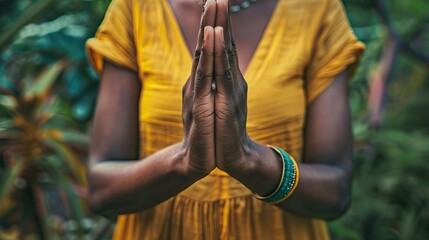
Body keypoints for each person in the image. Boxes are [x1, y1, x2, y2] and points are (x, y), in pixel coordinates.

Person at [86, 0, 365, 238]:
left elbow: (335, 191)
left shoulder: (316, 10)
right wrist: (184, 161)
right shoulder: (136, 8)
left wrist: (249, 160)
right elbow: (102, 189)